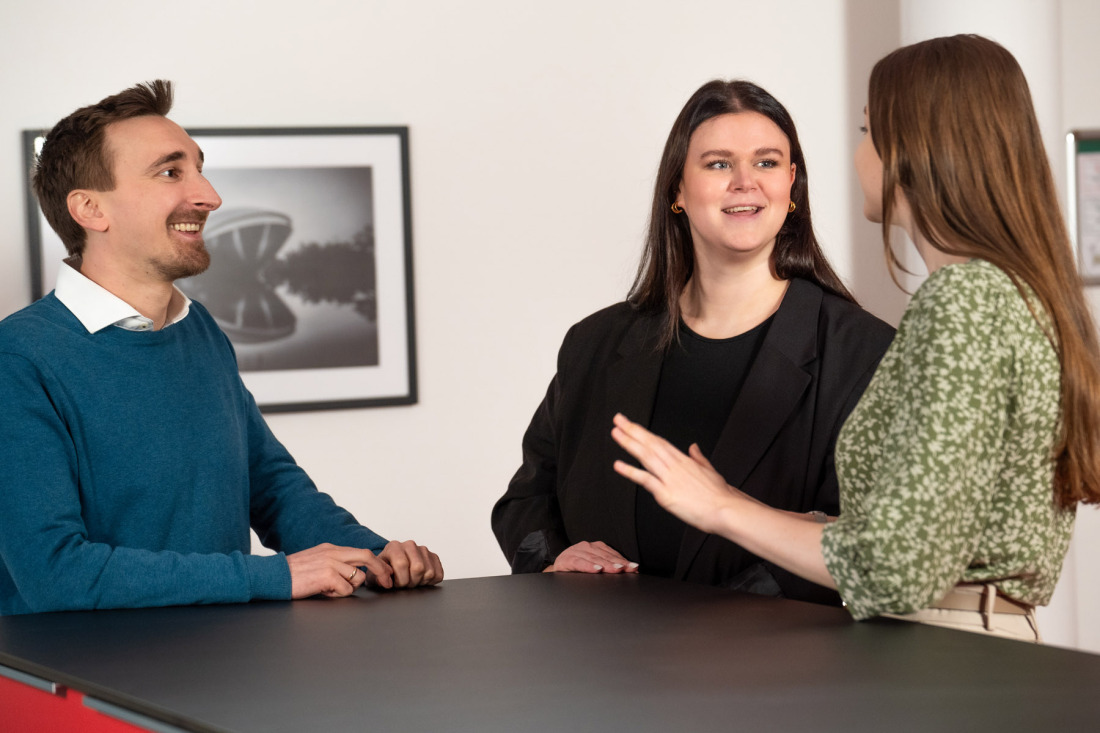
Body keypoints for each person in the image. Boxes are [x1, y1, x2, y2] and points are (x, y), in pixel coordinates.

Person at [611, 35, 1100, 642]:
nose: (858, 154)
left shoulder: (963, 302)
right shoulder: (1005, 295)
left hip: (945, 653)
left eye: (868, 132)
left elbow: (896, 567)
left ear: (917, 150)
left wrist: (722, 507)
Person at [0, 81, 443, 615]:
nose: (209, 196)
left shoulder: (199, 329)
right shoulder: (19, 359)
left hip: (218, 668)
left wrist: (374, 556)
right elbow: (58, 574)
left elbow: (270, 487)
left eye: (199, 168)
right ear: (91, 209)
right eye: (171, 172)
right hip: (91, 686)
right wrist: (277, 575)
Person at [492, 80, 895, 605]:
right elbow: (525, 499)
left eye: (767, 163)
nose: (745, 182)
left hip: (778, 669)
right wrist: (555, 557)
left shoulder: (862, 351)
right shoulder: (593, 343)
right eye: (719, 164)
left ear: (792, 186)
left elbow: (864, 539)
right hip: (604, 662)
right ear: (677, 191)